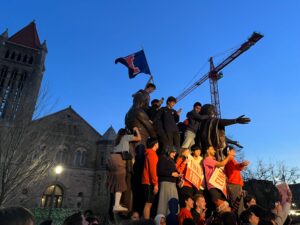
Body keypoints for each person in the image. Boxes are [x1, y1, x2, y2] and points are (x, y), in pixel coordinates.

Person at [107, 127, 141, 211]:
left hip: (111, 159)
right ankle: (116, 205)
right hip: (119, 159)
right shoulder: (126, 137)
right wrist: (136, 130)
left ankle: (116, 203)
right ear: (125, 133)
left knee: (115, 181)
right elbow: (139, 138)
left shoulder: (117, 141)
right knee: (120, 181)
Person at [224, 146, 249, 216]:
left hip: (235, 185)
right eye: (232, 150)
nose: (234, 151)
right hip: (234, 185)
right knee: (239, 207)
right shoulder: (230, 159)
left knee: (238, 206)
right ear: (228, 151)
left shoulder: (230, 160)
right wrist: (242, 164)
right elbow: (236, 166)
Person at [157, 146, 180, 216]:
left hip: (173, 184)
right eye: (173, 152)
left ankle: (172, 219)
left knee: (173, 204)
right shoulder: (163, 158)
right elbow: (159, 171)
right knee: (164, 204)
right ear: (168, 152)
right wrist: (171, 173)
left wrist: (179, 176)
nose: (174, 154)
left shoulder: (172, 160)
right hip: (166, 183)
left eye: (175, 152)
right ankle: (161, 219)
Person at [142, 137, 160, 219]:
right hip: (149, 182)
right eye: (157, 143)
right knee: (148, 203)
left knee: (148, 203)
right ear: (155, 144)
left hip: (147, 181)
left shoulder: (148, 153)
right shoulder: (152, 154)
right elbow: (153, 170)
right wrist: (155, 184)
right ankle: (146, 222)